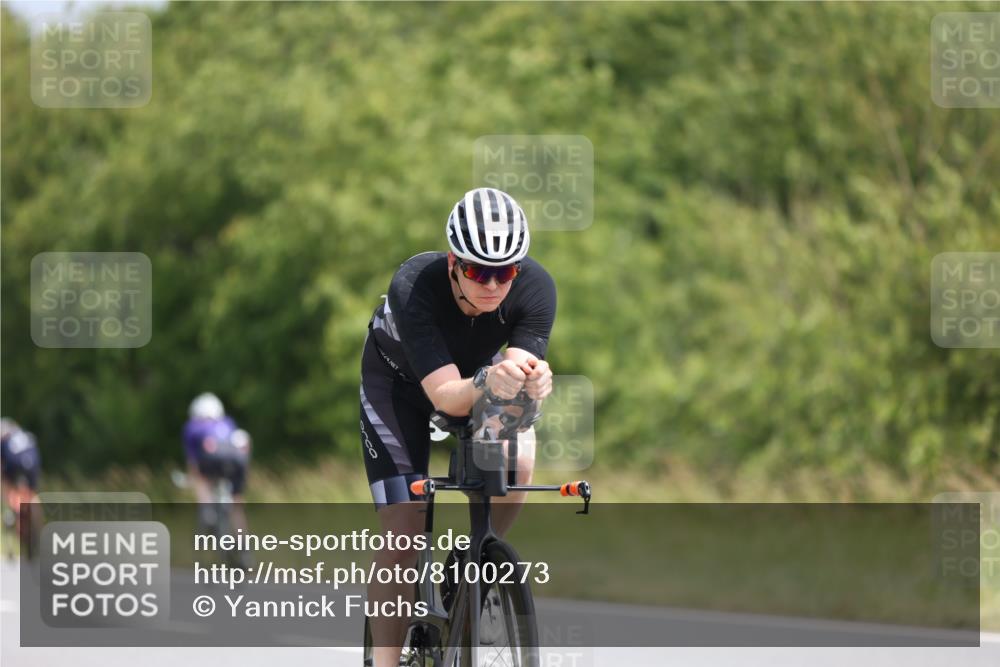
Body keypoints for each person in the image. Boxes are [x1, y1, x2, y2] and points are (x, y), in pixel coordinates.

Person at [360, 187, 556, 666]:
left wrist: (533, 383)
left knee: (521, 456)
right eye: (477, 271)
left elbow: (514, 387)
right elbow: (447, 397)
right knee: (405, 532)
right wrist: (493, 378)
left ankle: (474, 562)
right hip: (400, 386)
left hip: (477, 379)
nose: (492, 285)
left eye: (504, 272)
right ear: (453, 262)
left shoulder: (536, 288)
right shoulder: (415, 284)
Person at [182, 393, 252, 563]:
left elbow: (192, 461)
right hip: (237, 463)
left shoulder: (193, 427)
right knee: (236, 505)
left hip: (211, 461)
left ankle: (207, 509)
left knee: (201, 479)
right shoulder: (228, 423)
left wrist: (192, 477)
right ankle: (245, 550)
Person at [1, 417, 42, 557]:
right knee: (32, 493)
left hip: (13, 464)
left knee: (5, 483)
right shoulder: (25, 434)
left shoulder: (4, 439)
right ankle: (36, 515)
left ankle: (12, 512)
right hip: (33, 464)